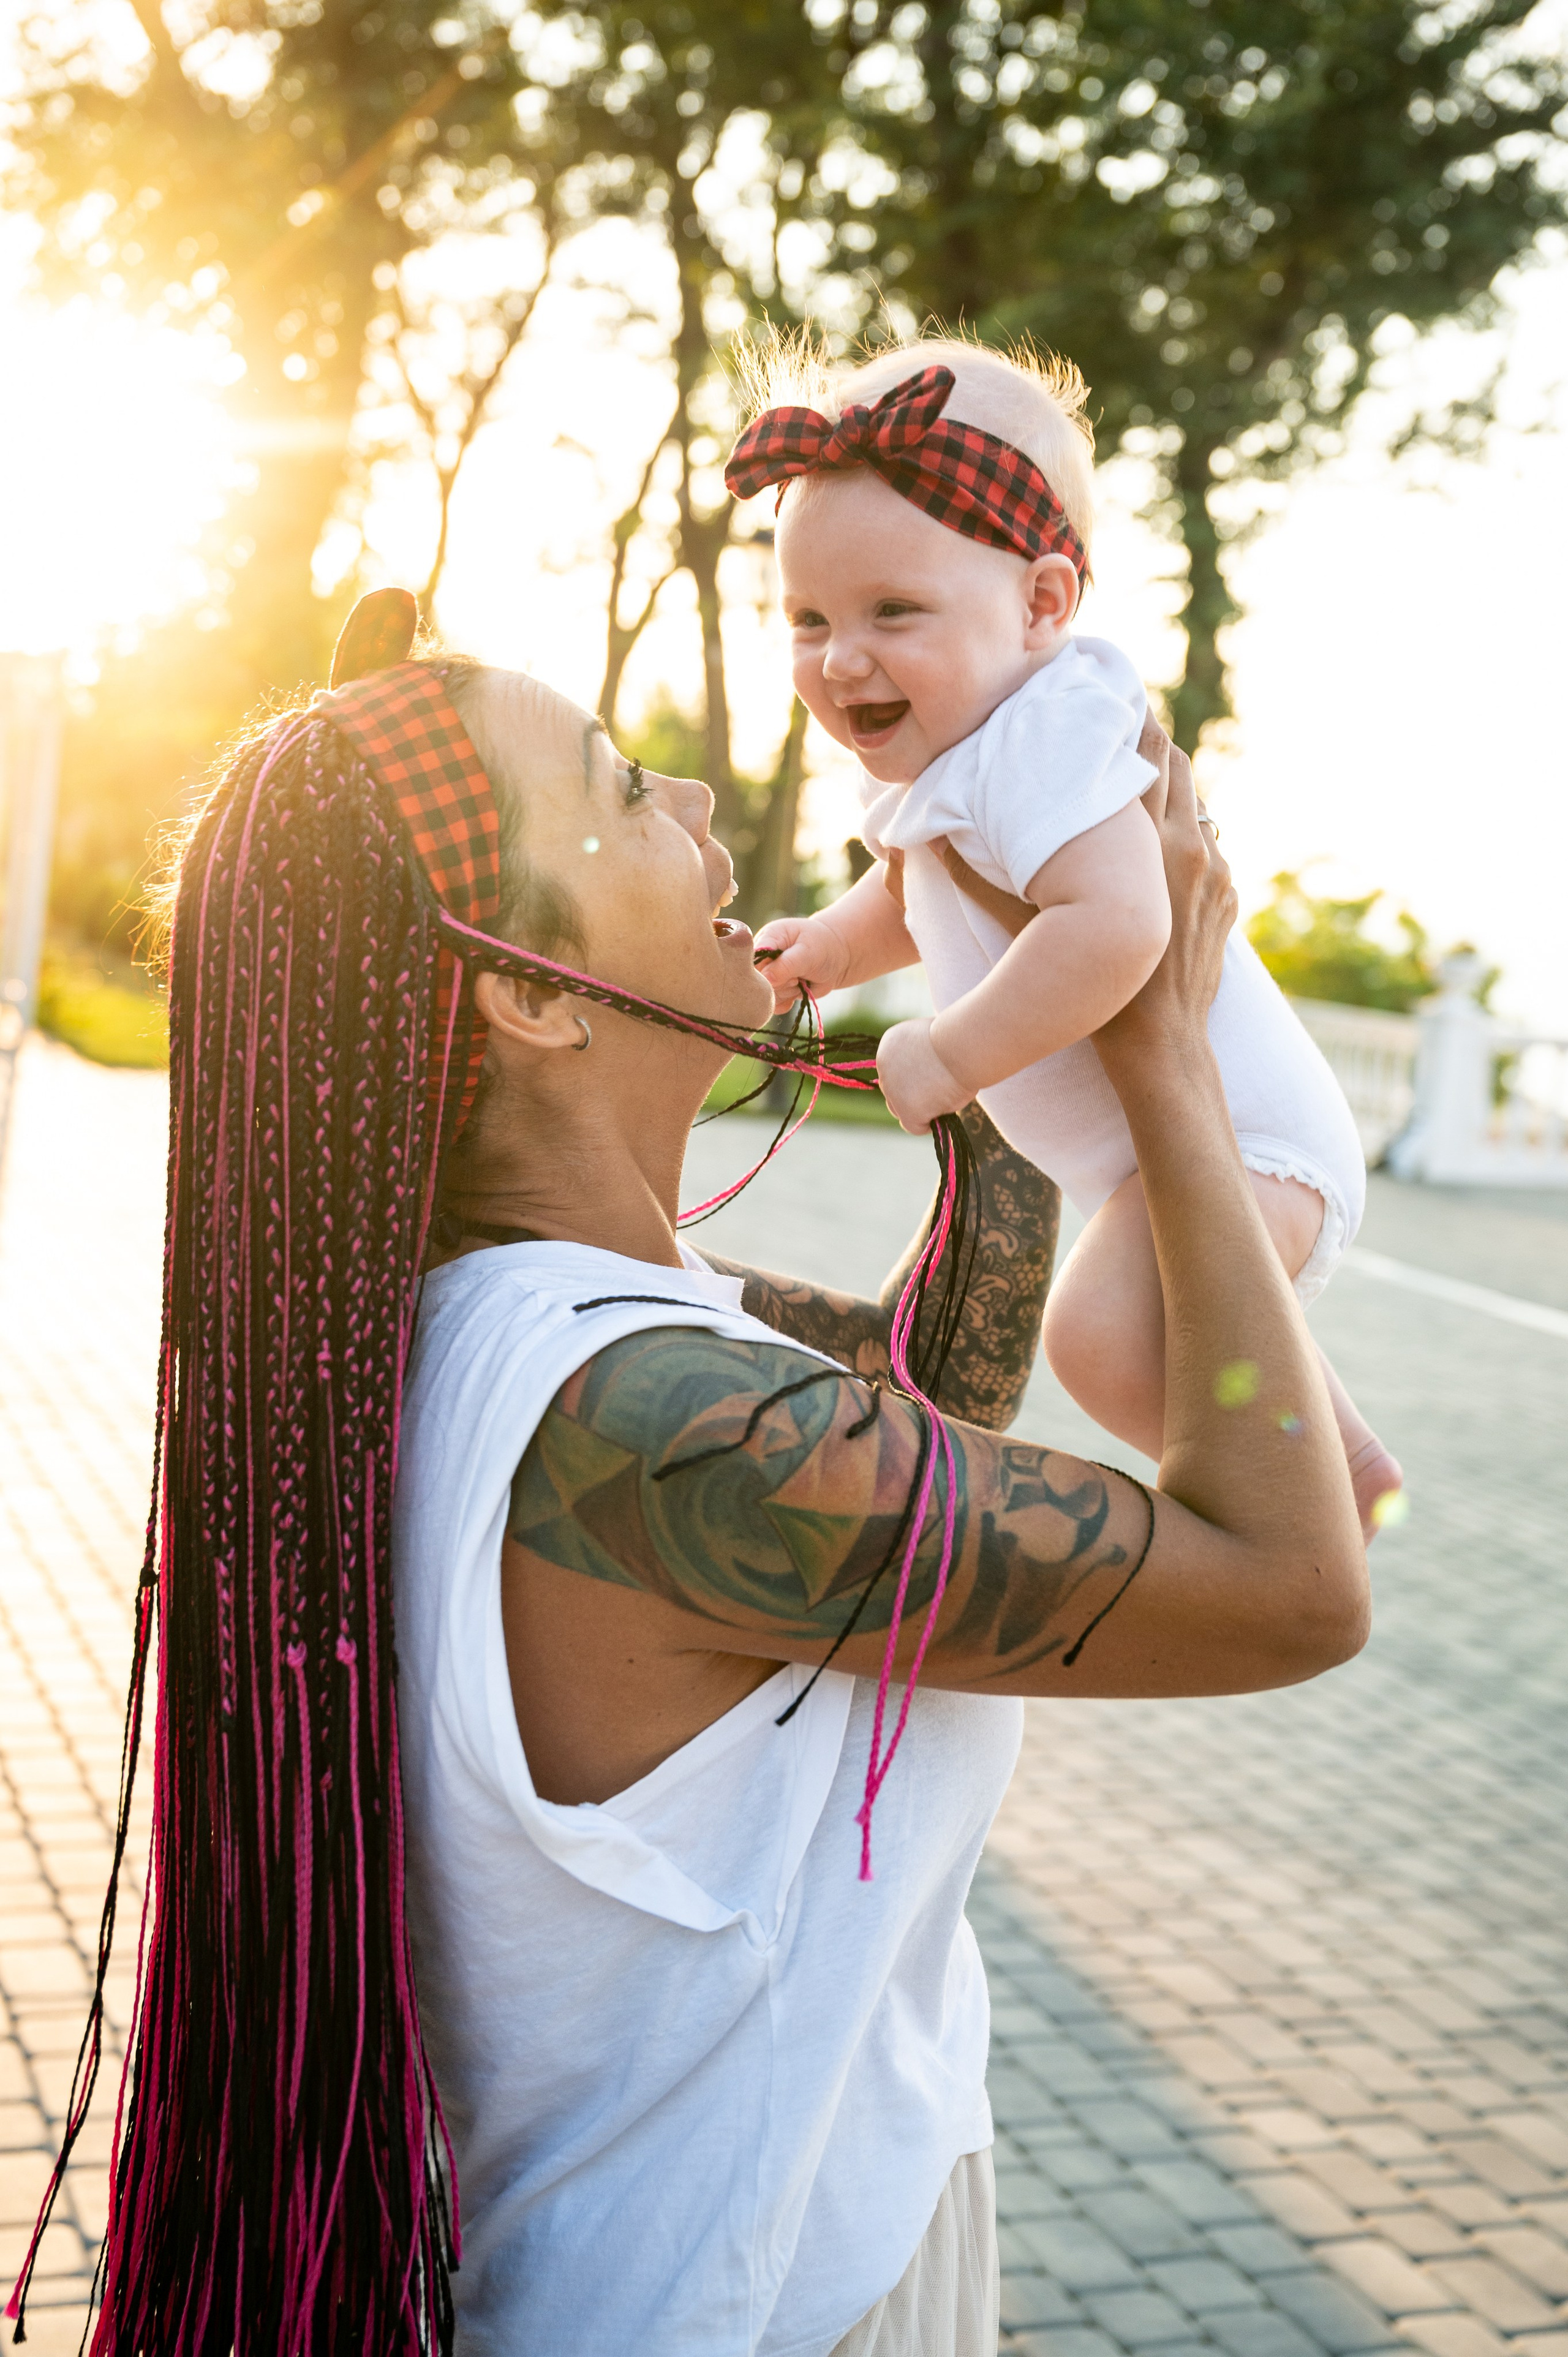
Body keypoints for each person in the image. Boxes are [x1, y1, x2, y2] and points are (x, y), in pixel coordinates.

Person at [9, 595, 1368, 2357]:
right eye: (620, 785)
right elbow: (1288, 1585)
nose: (704, 805)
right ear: (524, 991)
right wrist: (1176, 1057)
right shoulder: (648, 1432)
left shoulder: (522, 1337)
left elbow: (922, 1391)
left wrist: (1022, 976)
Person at [734, 336, 1403, 1536]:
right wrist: (831, 949)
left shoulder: (1044, 736)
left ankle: (1283, 1503)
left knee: (1097, 1337)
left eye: (894, 610)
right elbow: (918, 892)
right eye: (807, 618)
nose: (841, 658)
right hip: (1154, 1158)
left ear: (1042, 602)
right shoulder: (960, 753)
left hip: (1240, 1139)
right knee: (1128, 1328)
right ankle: (1338, 1460)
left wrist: (950, 1053)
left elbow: (1115, 924)